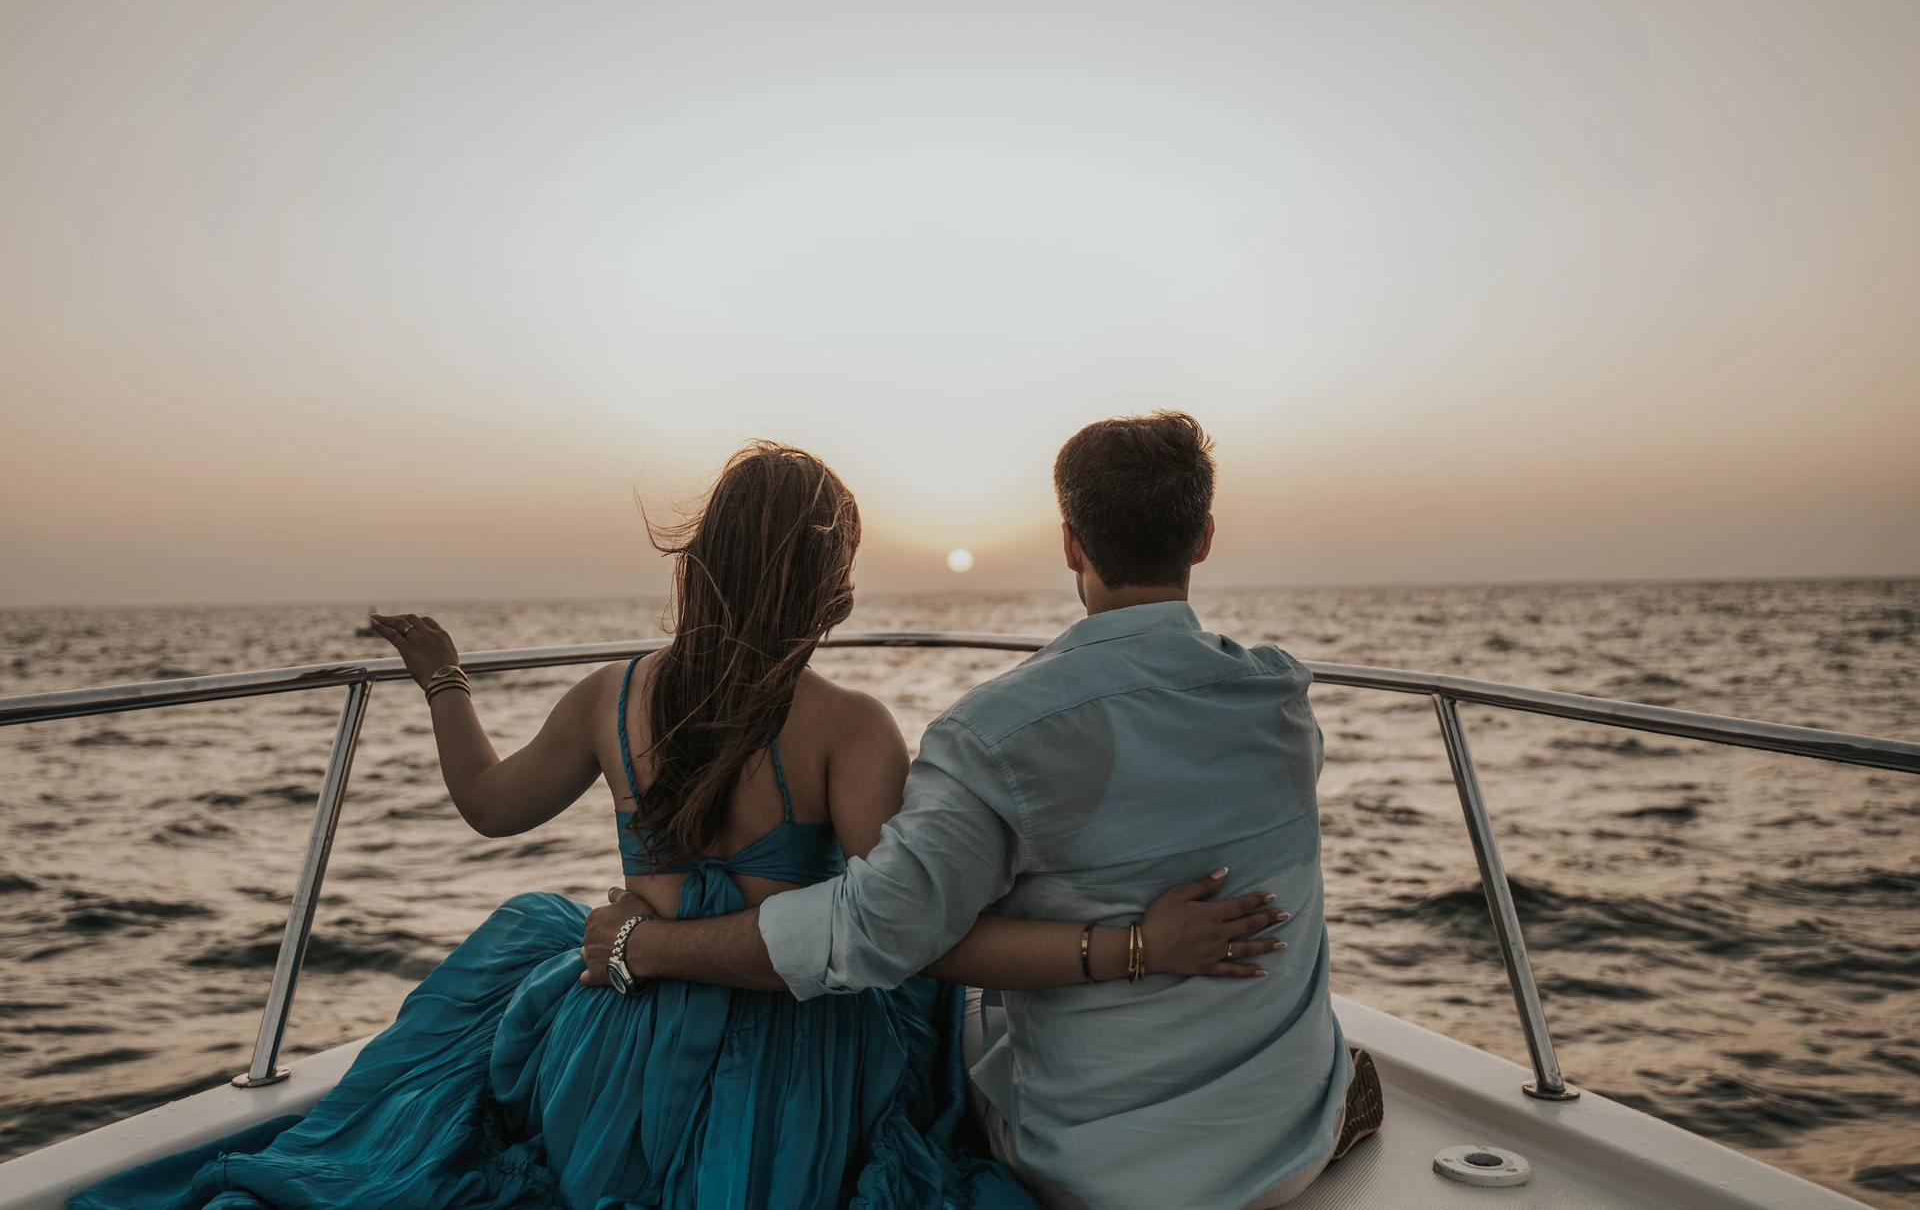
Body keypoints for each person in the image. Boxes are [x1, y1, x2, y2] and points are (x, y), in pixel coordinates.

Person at [71, 441, 1282, 1210]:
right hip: (793, 1070)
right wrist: (1133, 941)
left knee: (535, 932)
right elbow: (913, 934)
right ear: (831, 583)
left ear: (703, 556)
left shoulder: (611, 695)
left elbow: (489, 808)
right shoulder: (850, 727)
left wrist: (444, 678)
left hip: (612, 1046)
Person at [580, 414, 1383, 1210]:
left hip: (1096, 1175)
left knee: (944, 1019)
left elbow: (875, 934)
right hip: (1294, 1142)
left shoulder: (997, 731)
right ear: (1202, 537)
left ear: (1071, 542)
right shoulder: (1281, 697)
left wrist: (645, 947)